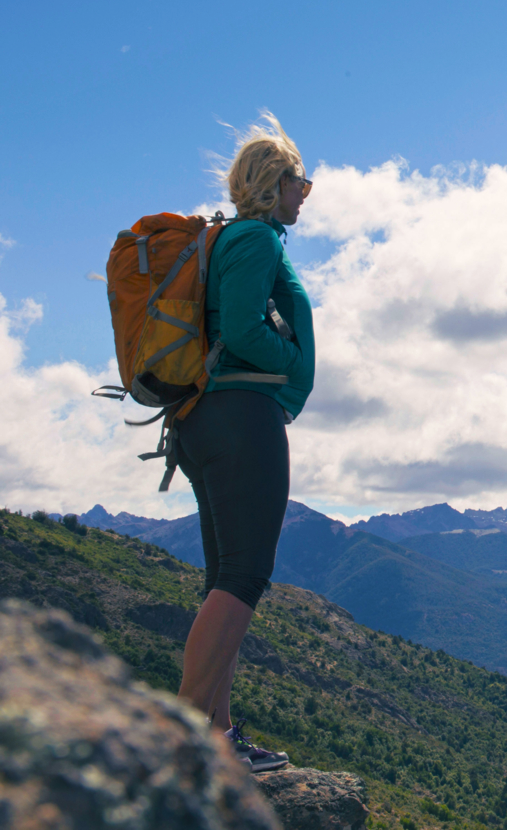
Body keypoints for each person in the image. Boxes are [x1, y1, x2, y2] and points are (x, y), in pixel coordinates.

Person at [174, 116, 315, 771]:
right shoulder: (256, 238)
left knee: (224, 575)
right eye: (299, 180)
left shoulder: (228, 238)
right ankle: (185, 739)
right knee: (245, 572)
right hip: (241, 413)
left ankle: (219, 733)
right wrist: (289, 354)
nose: (306, 192)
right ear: (274, 182)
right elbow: (240, 329)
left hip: (202, 417)